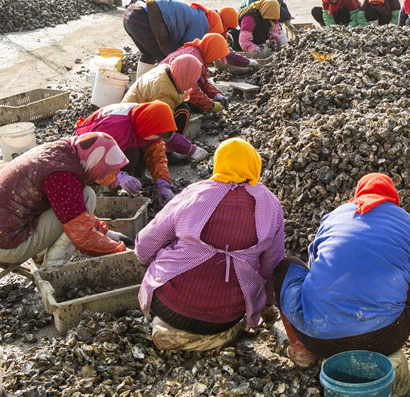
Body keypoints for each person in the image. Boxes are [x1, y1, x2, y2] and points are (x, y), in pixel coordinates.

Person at [135, 138, 285, 351]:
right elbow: (272, 266)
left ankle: (171, 330)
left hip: (169, 307)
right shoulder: (271, 205)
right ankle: (221, 336)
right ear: (255, 165)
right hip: (225, 315)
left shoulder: (195, 193)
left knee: (163, 250)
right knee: (228, 319)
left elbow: (145, 244)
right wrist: (267, 304)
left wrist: (149, 264)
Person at [274, 173, 410, 366]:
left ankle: (302, 349)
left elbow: (313, 268)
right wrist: (403, 311)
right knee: (404, 271)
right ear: (393, 200)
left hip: (319, 339)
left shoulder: (333, 217)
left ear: (358, 194)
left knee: (285, 267)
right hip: (385, 338)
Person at [0, 133, 132, 268]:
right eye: (101, 171)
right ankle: (53, 267)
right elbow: (82, 234)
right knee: (87, 196)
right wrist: (122, 251)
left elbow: (73, 210)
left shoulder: (61, 151)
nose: (99, 177)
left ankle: (40, 252)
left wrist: (109, 234)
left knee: (76, 204)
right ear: (94, 162)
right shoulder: (62, 175)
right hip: (3, 245)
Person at [122, 53, 209, 180]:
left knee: (183, 110)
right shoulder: (162, 92)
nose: (191, 86)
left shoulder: (172, 72)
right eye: (191, 81)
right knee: (145, 144)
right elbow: (163, 129)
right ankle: (138, 170)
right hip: (132, 124)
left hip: (145, 113)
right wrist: (192, 149)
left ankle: (168, 152)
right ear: (185, 76)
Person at [73, 101, 176, 197]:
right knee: (131, 155)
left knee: (149, 148)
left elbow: (156, 155)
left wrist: (163, 182)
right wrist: (118, 178)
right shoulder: (117, 127)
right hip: (84, 156)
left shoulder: (145, 118)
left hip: (118, 142)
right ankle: (107, 186)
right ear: (148, 128)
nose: (157, 139)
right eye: (156, 135)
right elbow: (94, 158)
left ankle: (136, 176)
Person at [122, 0, 226, 78]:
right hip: (143, 17)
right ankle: (154, 92)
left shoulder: (198, 13)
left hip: (130, 13)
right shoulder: (201, 22)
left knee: (148, 54)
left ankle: (139, 88)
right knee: (169, 60)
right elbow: (188, 53)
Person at [159, 33, 231, 114]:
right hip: (161, 89)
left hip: (166, 83)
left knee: (198, 105)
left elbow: (203, 82)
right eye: (216, 56)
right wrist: (211, 105)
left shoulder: (198, 52)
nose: (214, 60)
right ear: (212, 50)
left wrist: (216, 95)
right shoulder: (193, 59)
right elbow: (191, 90)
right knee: (188, 109)